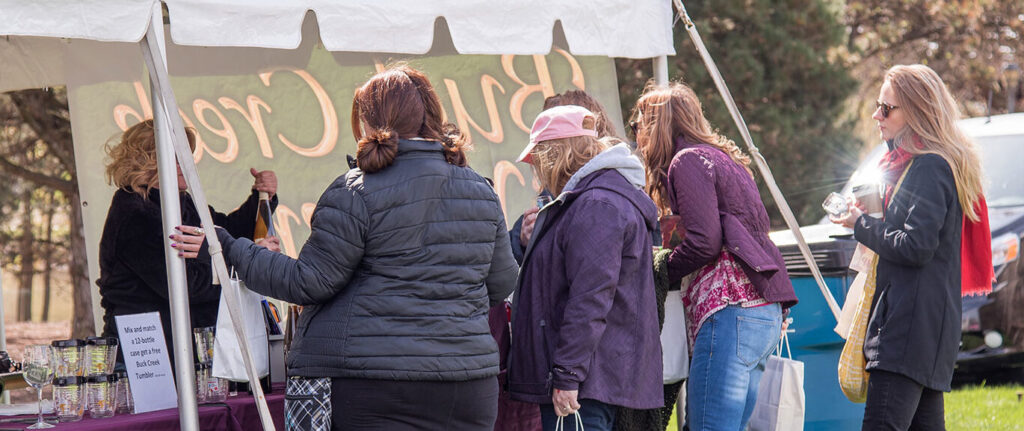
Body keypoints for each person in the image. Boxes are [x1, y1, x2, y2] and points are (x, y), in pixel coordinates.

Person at [213, 64, 518, 430]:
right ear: (432, 115)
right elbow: (501, 283)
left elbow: (307, 283)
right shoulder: (481, 191)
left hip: (369, 383)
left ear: (370, 123)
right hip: (466, 384)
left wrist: (229, 247)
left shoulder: (355, 190)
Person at [831, 64, 990, 430]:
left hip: (906, 330)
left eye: (887, 108)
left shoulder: (929, 167)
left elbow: (916, 246)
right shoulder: (930, 165)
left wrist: (860, 225)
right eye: (878, 105)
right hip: (925, 331)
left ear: (916, 112)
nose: (876, 115)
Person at [632, 82, 797, 430]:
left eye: (639, 124)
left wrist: (658, 269)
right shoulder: (725, 160)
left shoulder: (687, 161)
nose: (637, 135)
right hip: (761, 312)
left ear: (658, 124)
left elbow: (706, 242)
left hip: (730, 311)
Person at [507, 105, 663, 431]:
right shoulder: (599, 198)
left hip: (586, 383)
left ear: (555, 154)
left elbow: (590, 297)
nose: (538, 172)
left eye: (537, 160)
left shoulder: (597, 204)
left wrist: (567, 375)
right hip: (593, 377)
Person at [96, 119, 279, 367]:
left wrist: (261, 198)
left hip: (182, 348)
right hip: (146, 354)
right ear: (148, 160)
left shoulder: (178, 201)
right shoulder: (134, 213)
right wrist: (248, 260)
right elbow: (185, 284)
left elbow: (223, 232)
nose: (188, 163)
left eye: (187, 155)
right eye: (177, 156)